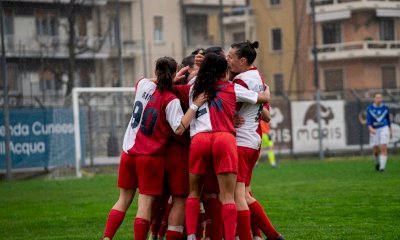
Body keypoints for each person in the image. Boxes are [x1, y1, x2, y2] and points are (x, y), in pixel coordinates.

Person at [102, 56, 206, 240]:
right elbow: (179, 129)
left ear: (156, 72)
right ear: (174, 74)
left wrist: (166, 79)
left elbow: (145, 81)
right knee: (145, 206)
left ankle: (107, 237)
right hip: (149, 157)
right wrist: (196, 105)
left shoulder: (144, 86)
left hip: (127, 153)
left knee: (123, 200)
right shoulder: (171, 99)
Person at [173, 52, 270, 240]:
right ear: (224, 71)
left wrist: (176, 79)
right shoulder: (231, 88)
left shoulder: (193, 88)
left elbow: (167, 88)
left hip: (199, 140)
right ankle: (231, 236)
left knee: (194, 192)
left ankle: (192, 235)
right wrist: (267, 90)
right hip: (224, 140)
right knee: (228, 196)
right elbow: (262, 98)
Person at [227, 40, 283, 240]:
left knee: (237, 196)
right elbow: (266, 112)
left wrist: (229, 115)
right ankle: (263, 235)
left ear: (243, 60)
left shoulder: (240, 81)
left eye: (231, 57)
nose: (228, 60)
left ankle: (257, 236)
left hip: (241, 142)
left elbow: (225, 102)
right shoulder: (258, 76)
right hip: (254, 141)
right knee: (245, 194)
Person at [366, 93, 392, 172]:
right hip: (374, 129)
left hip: (384, 128)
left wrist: (390, 130)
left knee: (383, 146)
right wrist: (370, 128)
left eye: (380, 97)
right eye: (377, 98)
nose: (379, 99)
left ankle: (382, 168)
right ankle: (377, 162)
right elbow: (368, 121)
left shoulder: (385, 108)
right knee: (376, 150)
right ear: (374, 99)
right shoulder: (370, 108)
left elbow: (388, 120)